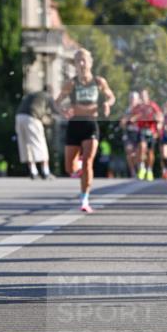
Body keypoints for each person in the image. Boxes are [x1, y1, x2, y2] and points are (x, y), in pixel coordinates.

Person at [55, 48, 115, 213]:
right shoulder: (71, 84)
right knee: (70, 168)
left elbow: (111, 96)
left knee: (89, 161)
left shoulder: (98, 82)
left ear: (90, 63)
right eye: (78, 61)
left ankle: (84, 199)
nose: (81, 64)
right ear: (74, 64)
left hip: (90, 124)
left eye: (84, 60)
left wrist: (107, 104)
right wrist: (63, 111)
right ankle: (78, 165)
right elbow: (57, 101)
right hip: (75, 125)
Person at [14, 88, 55, 181]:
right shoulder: (48, 96)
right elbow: (53, 111)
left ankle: (33, 171)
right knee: (40, 144)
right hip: (32, 117)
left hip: (19, 117)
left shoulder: (33, 95)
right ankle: (45, 171)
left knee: (26, 145)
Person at [134, 88, 163, 181]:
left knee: (150, 152)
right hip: (142, 130)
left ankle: (149, 170)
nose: (143, 97)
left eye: (144, 95)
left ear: (147, 96)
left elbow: (160, 116)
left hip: (151, 131)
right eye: (141, 96)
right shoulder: (138, 107)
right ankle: (142, 167)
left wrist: (158, 123)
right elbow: (132, 116)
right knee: (142, 147)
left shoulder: (152, 105)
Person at [119, 90, 141, 178]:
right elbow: (122, 123)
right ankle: (132, 171)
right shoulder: (127, 110)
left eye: (134, 98)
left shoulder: (141, 108)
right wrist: (126, 120)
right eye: (131, 98)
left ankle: (139, 167)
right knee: (129, 152)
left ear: (138, 99)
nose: (132, 100)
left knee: (137, 154)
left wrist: (134, 118)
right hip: (129, 133)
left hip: (138, 133)